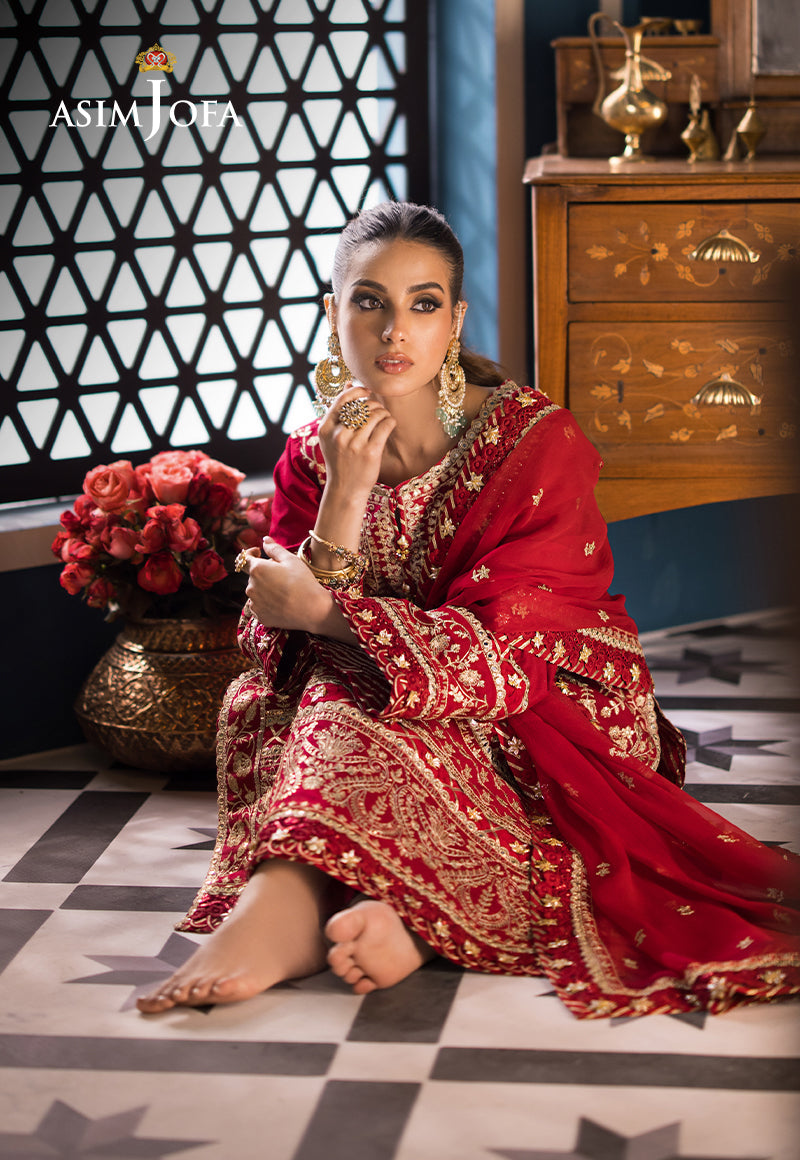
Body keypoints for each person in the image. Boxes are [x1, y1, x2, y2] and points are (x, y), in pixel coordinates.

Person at [138, 202, 799, 1019]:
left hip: (551, 706)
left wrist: (335, 615)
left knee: (352, 703)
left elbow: (507, 658)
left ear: (453, 320)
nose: (394, 331)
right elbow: (273, 644)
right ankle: (391, 917)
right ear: (332, 312)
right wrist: (343, 497)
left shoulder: (531, 442)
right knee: (305, 701)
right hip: (377, 692)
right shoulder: (315, 454)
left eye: (422, 304)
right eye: (369, 301)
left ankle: (290, 910)